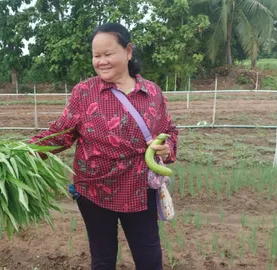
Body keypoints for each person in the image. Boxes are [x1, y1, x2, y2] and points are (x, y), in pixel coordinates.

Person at [29, 22, 179, 270]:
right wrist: (24, 153)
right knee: (103, 260)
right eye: (96, 56)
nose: (102, 61)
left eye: (108, 54)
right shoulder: (85, 92)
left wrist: (167, 147)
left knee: (150, 261)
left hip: (139, 191)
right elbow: (60, 133)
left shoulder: (152, 92)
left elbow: (169, 131)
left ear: (128, 51)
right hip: (94, 191)